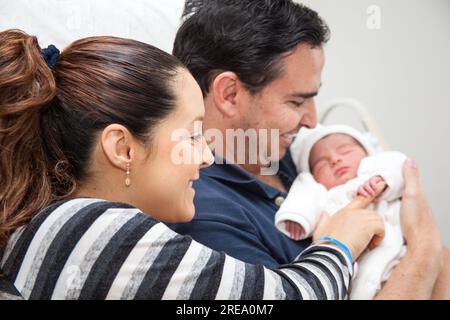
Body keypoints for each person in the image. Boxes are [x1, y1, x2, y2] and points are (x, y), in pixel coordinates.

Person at [0, 29, 386, 300]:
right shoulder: (90, 230)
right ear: (122, 147)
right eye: (192, 135)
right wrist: (339, 242)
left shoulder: (53, 227)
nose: (205, 155)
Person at [169, 0, 449, 299]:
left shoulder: (293, 154)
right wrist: (424, 245)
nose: (313, 121)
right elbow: (430, 253)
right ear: (230, 93)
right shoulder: (203, 215)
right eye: (296, 102)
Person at [275, 124, 408, 299]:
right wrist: (297, 218)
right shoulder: (321, 192)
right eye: (321, 163)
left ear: (367, 153)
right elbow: (302, 194)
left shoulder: (374, 169)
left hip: (397, 254)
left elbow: (399, 165)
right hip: (352, 269)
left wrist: (382, 179)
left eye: (345, 151)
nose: (335, 160)